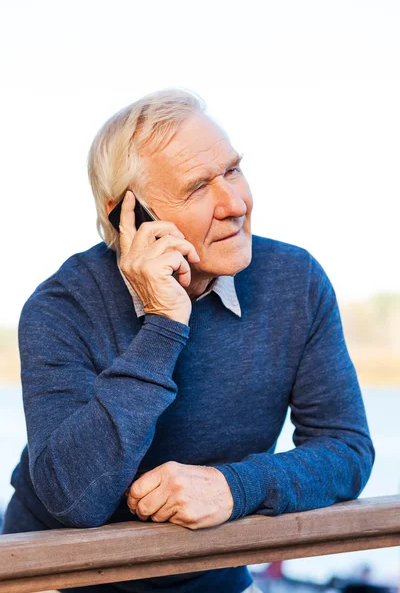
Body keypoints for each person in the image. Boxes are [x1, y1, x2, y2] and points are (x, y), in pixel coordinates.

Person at [1, 88, 375, 593]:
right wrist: (163, 324)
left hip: (211, 573)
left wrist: (232, 487)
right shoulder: (60, 307)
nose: (236, 203)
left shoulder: (295, 280)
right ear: (127, 214)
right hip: (58, 576)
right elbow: (73, 501)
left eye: (233, 170)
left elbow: (347, 450)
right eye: (198, 187)